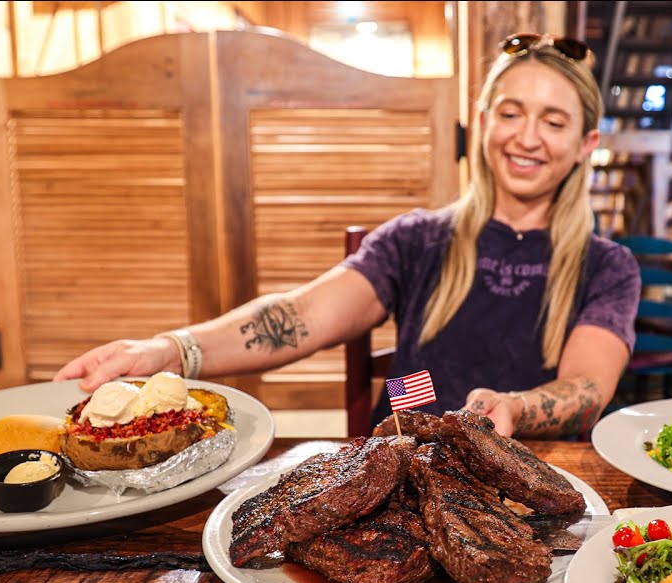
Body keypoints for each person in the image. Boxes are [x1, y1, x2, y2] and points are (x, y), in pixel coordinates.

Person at [54, 33, 641, 439]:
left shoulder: (607, 266)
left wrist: (512, 406)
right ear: (483, 122)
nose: (527, 137)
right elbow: (300, 315)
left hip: (537, 471)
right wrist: (169, 350)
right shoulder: (419, 239)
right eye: (510, 113)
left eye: (554, 121)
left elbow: (587, 387)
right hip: (403, 455)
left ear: (586, 145)